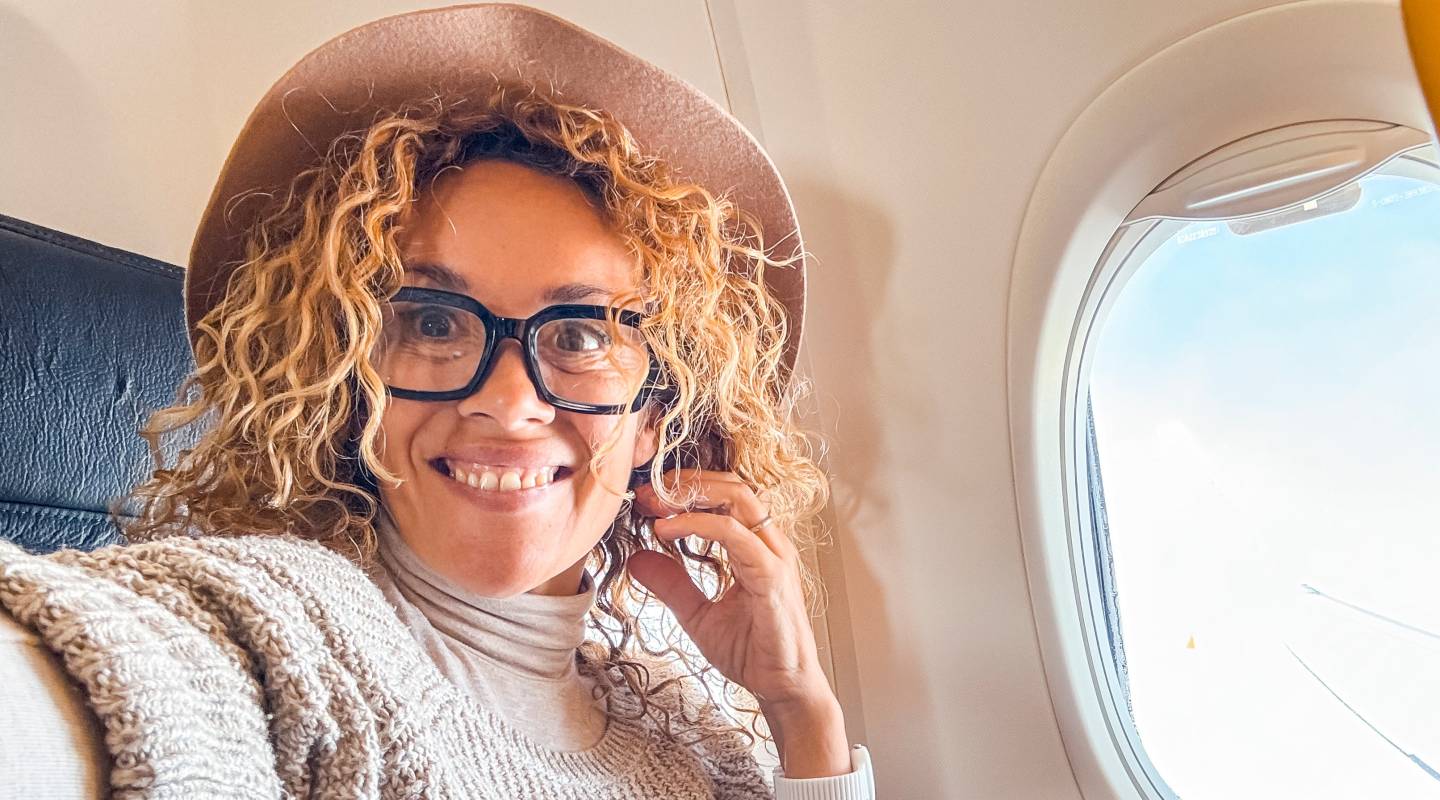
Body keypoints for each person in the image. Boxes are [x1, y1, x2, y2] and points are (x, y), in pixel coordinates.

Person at [0, 5, 874, 798]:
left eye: (577, 335)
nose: (506, 401)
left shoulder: (700, 737)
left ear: (653, 413)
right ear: (351, 382)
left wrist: (802, 712)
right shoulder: (299, 640)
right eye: (430, 321)